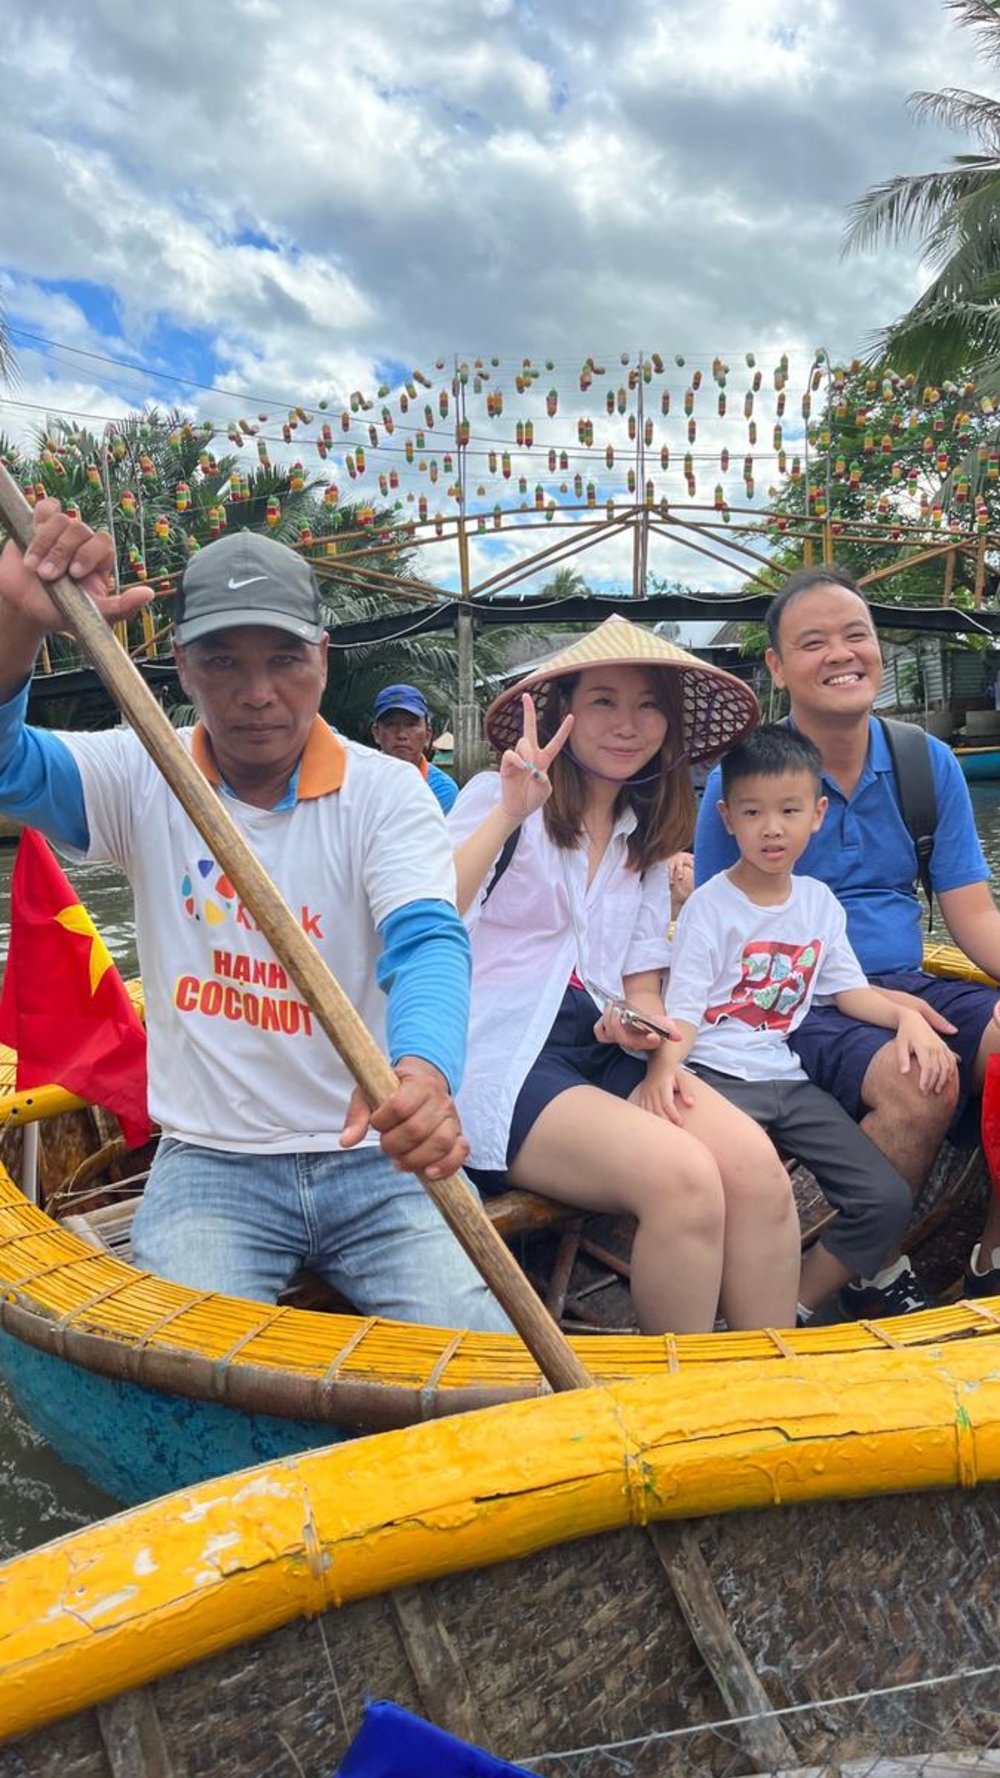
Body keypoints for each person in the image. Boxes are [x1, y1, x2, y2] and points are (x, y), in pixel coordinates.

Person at [0, 506, 508, 1329]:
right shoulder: (142, 770)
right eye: (222, 662)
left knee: (480, 1361)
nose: (258, 693)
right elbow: (7, 766)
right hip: (210, 1162)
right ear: (182, 667)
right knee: (185, 1369)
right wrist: (17, 623)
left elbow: (426, 942)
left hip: (372, 1156)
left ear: (323, 656)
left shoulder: (385, 792)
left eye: (284, 659)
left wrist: (424, 1074)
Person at [448, 614, 802, 1336]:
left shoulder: (645, 832)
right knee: (685, 1182)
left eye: (648, 705)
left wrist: (647, 1032)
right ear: (565, 713)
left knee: (759, 1171)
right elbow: (425, 915)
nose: (627, 724)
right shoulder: (498, 796)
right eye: (604, 701)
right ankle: (679, 1411)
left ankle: (771, 1381)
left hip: (602, 1048)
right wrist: (510, 813)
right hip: (500, 1056)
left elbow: (641, 983)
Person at [695, 562, 1000, 1309]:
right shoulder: (744, 782)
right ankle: (867, 1273)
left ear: (878, 651)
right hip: (799, 1002)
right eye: (814, 642)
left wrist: (901, 1008)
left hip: (906, 982)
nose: (841, 654)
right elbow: (717, 925)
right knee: (918, 1081)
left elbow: (973, 914)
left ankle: (991, 1254)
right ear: (776, 666)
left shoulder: (924, 765)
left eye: (856, 635)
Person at [666, 725, 957, 1321]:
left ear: (816, 814)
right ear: (726, 817)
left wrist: (908, 1018)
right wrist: (664, 1073)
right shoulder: (709, 907)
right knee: (747, 1189)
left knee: (884, 1198)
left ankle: (793, 1303)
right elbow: (685, 1010)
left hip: (787, 1078)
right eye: (753, 812)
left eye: (789, 810)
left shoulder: (818, 902)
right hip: (715, 1075)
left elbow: (848, 992)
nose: (772, 828)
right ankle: (725, 1308)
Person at [371, 684, 457, 813]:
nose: (401, 734)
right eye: (390, 724)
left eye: (411, 724)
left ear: (427, 735)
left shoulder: (441, 789)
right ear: (376, 733)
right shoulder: (358, 781)